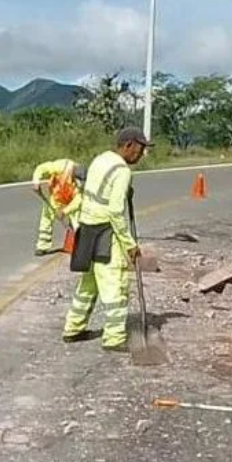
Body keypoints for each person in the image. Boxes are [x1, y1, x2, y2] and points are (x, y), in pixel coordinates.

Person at [62, 127, 150, 352]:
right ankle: (114, 338)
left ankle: (73, 328)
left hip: (87, 230)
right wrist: (130, 245)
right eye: (140, 150)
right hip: (106, 235)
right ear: (128, 145)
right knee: (116, 287)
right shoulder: (122, 171)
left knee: (88, 284)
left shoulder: (101, 159)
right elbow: (115, 212)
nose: (141, 155)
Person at [31, 158, 86, 256]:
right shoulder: (61, 166)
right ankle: (42, 246)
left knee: (77, 221)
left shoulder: (80, 183)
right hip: (55, 197)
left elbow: (78, 200)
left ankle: (79, 244)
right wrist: (36, 181)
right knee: (46, 219)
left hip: (70, 201)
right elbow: (41, 168)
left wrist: (64, 211)